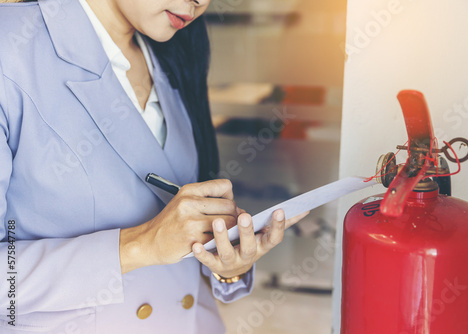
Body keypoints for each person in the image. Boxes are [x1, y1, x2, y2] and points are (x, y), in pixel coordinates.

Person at [0, 0, 308, 333]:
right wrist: (139, 245)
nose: (200, 2)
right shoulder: (13, 45)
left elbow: (181, 255)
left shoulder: (168, 52)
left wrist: (227, 263)